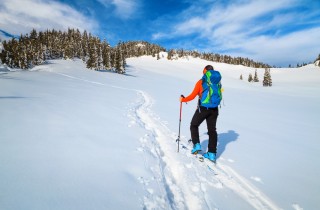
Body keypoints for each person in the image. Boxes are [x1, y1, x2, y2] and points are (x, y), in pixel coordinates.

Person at [180, 65, 222, 162]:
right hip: (215, 109)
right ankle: (211, 153)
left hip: (203, 108)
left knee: (194, 125)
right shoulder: (217, 82)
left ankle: (197, 145)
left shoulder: (201, 82)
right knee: (212, 131)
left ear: (205, 71)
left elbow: (193, 95)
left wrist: (183, 99)